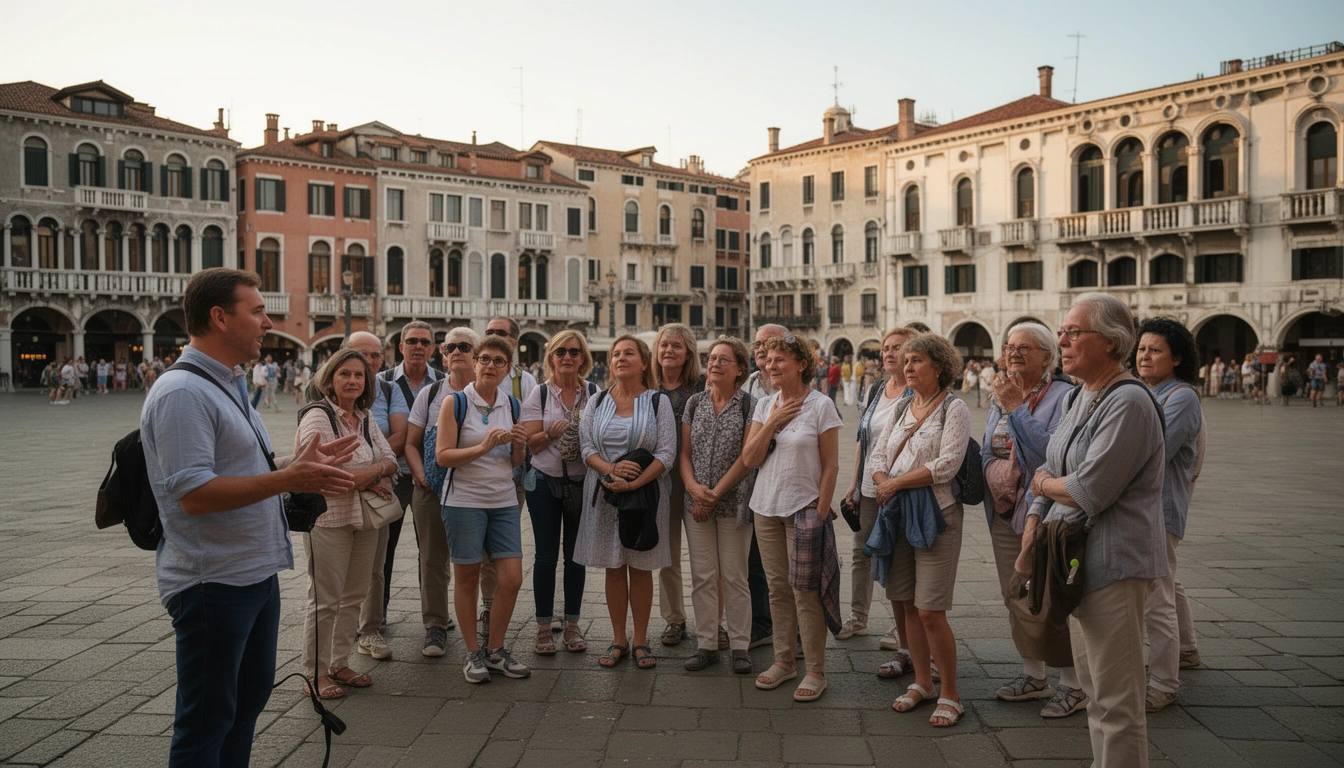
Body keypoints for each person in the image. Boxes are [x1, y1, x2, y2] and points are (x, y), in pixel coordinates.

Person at [140, 268, 359, 767]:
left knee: (243, 708)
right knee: (206, 721)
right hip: (212, 581)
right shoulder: (183, 393)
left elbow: (241, 470)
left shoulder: (227, 383)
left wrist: (298, 466)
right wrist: (289, 479)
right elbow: (193, 493)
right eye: (257, 311)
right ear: (220, 317)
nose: (267, 320)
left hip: (253, 573)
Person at [1020, 293, 1166, 767]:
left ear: (1110, 341)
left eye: (1073, 332)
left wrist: (1042, 484)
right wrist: (1035, 514)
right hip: (1077, 563)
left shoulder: (1128, 402)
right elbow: (1052, 463)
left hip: (1114, 564)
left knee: (1117, 700)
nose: (1062, 339)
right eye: (1062, 331)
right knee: (1096, 694)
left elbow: (1089, 489)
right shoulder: (1082, 394)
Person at [981, 323, 1084, 718]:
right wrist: (994, 474)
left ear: (1047, 357)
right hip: (1004, 507)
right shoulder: (1000, 395)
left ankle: (1073, 684)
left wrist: (1016, 409)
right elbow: (991, 445)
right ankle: (1034, 676)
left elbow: (1051, 454)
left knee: (1051, 597)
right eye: (1009, 346)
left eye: (1025, 347)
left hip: (1046, 510)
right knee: (1017, 593)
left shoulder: (1065, 397)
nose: (1014, 353)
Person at [869, 333, 971, 727]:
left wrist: (893, 484)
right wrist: (882, 479)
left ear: (940, 367)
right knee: (909, 603)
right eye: (905, 360)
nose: (908, 367)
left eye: (917, 361)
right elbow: (879, 454)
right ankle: (924, 682)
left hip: (936, 515)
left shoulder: (954, 408)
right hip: (896, 512)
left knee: (930, 609)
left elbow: (947, 465)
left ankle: (951, 693)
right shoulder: (900, 409)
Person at [741, 334, 842, 703]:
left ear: (801, 364)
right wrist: (773, 422)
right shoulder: (765, 405)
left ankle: (815, 669)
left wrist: (821, 508)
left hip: (804, 506)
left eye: (780, 359)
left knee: (806, 591)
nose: (771, 366)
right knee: (777, 589)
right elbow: (749, 459)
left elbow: (831, 464)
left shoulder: (821, 406)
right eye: (768, 360)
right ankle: (784, 661)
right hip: (765, 505)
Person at [298, 348, 400, 699]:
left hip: (365, 519)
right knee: (325, 600)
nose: (353, 381)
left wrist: (368, 474)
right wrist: (372, 476)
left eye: (359, 375)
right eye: (345, 374)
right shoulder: (318, 417)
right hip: (328, 518)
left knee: (354, 595)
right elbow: (326, 474)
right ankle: (315, 673)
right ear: (330, 379)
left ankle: (338, 663)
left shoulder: (366, 417)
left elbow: (390, 458)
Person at [575, 335, 677, 670]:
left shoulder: (658, 402)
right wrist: (612, 470)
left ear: (644, 362)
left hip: (645, 495)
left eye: (628, 353)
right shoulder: (597, 400)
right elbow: (587, 448)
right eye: (616, 354)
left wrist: (631, 482)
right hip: (605, 493)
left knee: (641, 566)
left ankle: (642, 640)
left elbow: (666, 454)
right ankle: (619, 638)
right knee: (615, 567)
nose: (620, 358)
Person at [435, 334, 530, 683]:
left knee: (512, 579)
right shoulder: (455, 403)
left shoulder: (514, 405)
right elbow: (443, 456)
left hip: (503, 500)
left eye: (499, 361)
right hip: (464, 502)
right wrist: (483, 446)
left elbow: (516, 462)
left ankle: (496, 649)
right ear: (474, 363)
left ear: (507, 369)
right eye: (485, 359)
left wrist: (520, 447)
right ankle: (474, 653)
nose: (491, 366)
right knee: (468, 578)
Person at [1135, 318, 1205, 712]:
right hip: (1148, 509)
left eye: (1155, 350)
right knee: (1169, 583)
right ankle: (1187, 649)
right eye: (1142, 349)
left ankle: (1163, 681)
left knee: (1155, 596)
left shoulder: (1180, 397)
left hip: (1157, 510)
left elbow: (1152, 449)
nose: (1145, 355)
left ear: (1177, 358)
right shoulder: (1147, 391)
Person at [679, 338, 757, 674]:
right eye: (712, 358)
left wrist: (714, 493)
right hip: (695, 503)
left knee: (736, 576)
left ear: (740, 368)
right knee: (703, 575)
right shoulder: (694, 403)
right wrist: (695, 490)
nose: (715, 364)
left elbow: (747, 457)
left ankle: (740, 645)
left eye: (724, 359)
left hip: (735, 503)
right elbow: (683, 454)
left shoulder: (749, 405)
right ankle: (706, 643)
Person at [840, 327, 916, 664]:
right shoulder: (875, 388)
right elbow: (862, 438)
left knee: (898, 558)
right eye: (886, 347)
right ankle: (859, 618)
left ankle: (901, 630)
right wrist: (855, 482)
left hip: (898, 487)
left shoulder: (916, 392)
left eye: (897, 348)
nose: (888, 353)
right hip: (869, 485)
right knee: (861, 552)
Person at [520, 330, 598, 655]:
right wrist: (553, 434)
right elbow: (530, 443)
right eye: (561, 352)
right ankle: (542, 626)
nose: (567, 357)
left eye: (574, 352)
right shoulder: (538, 394)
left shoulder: (594, 393)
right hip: (544, 482)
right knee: (545, 557)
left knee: (576, 557)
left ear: (584, 359)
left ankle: (572, 624)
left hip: (581, 482)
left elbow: (602, 436)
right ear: (551, 357)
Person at [405, 328, 477, 656]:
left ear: (476, 353)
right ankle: (435, 624)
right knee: (432, 557)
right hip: (431, 486)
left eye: (465, 346)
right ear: (444, 355)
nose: (458, 351)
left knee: (480, 557)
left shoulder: (490, 393)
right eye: (452, 347)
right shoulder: (431, 393)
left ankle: (482, 620)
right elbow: (411, 441)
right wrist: (419, 475)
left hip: (475, 487)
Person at [344, 333, 407, 663]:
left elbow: (397, 437)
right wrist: (370, 479)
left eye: (375, 355)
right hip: (340, 497)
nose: (369, 361)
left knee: (375, 565)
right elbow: (324, 451)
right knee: (334, 570)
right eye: (361, 354)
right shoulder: (322, 394)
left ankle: (369, 629)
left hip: (380, 486)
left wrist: (378, 472)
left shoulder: (386, 390)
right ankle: (337, 638)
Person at [381, 321, 442, 654]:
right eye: (412, 341)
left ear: (432, 348)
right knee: (383, 549)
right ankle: (379, 613)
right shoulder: (382, 383)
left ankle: (434, 619)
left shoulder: (444, 384)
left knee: (431, 551)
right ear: (400, 346)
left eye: (425, 341)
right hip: (392, 474)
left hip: (427, 477)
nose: (418, 346)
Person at [479, 316, 538, 637]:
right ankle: (488, 605)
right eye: (489, 332)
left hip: (510, 477)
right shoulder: (472, 376)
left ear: (514, 342)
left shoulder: (524, 382)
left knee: (501, 545)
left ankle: (493, 609)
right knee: (478, 549)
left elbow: (528, 428)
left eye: (500, 333)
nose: (493, 336)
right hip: (472, 477)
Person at [652, 323, 704, 648]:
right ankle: (674, 619)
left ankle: (713, 621)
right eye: (664, 345)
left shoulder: (702, 387)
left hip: (698, 477)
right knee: (667, 554)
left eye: (676, 346)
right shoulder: (647, 388)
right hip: (660, 479)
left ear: (688, 354)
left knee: (705, 556)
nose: (669, 350)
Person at [741, 324, 788, 649]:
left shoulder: (806, 390)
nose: (760, 348)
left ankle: (796, 635)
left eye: (768, 344)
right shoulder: (745, 386)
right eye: (757, 343)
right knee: (755, 563)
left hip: (789, 487)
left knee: (794, 569)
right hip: (751, 490)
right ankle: (762, 623)